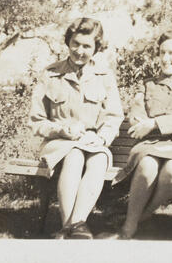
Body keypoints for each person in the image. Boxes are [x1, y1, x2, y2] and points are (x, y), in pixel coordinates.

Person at [109, 31, 172, 239]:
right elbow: (136, 116)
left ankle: (143, 215)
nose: (165, 58)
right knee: (147, 166)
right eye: (162, 53)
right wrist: (143, 122)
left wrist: (155, 122)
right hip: (150, 145)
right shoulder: (148, 85)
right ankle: (129, 226)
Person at [29, 17, 124, 239]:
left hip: (92, 141)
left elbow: (114, 116)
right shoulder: (50, 74)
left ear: (96, 48)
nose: (79, 51)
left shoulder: (104, 76)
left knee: (99, 158)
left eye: (86, 46)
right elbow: (36, 120)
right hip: (58, 142)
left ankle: (73, 226)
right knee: (74, 155)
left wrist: (102, 138)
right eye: (75, 44)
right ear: (68, 42)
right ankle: (74, 226)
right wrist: (61, 130)